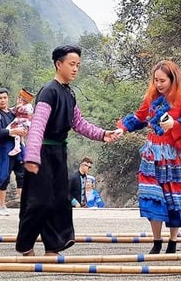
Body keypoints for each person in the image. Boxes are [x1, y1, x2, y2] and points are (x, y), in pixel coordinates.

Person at [18, 45, 121, 256]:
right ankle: (26, 246)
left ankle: (53, 246)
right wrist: (32, 157)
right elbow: (37, 125)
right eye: (71, 64)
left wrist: (103, 134)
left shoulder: (69, 93)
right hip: (42, 153)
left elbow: (79, 123)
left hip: (58, 153)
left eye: (78, 65)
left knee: (59, 201)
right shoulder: (49, 91)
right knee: (39, 201)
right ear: (59, 64)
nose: (75, 69)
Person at [119, 59, 181, 254]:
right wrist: (122, 128)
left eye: (162, 80)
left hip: (175, 156)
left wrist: (175, 125)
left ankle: (172, 242)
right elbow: (140, 117)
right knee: (151, 195)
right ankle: (156, 241)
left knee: (175, 199)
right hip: (153, 153)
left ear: (173, 79)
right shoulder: (152, 97)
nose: (159, 84)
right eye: (156, 80)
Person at [0, 87, 26, 216]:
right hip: (5, 148)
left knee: (22, 176)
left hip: (19, 147)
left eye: (4, 98)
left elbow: (24, 121)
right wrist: (14, 131)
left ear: (8, 98)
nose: (2, 100)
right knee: (4, 177)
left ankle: (24, 205)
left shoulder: (13, 112)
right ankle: (2, 206)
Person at [8, 88, 35, 157]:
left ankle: (18, 148)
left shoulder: (27, 106)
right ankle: (20, 150)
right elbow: (13, 110)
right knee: (18, 136)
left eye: (21, 98)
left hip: (23, 123)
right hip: (20, 122)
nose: (19, 99)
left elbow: (17, 110)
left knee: (15, 133)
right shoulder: (23, 106)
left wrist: (18, 107)